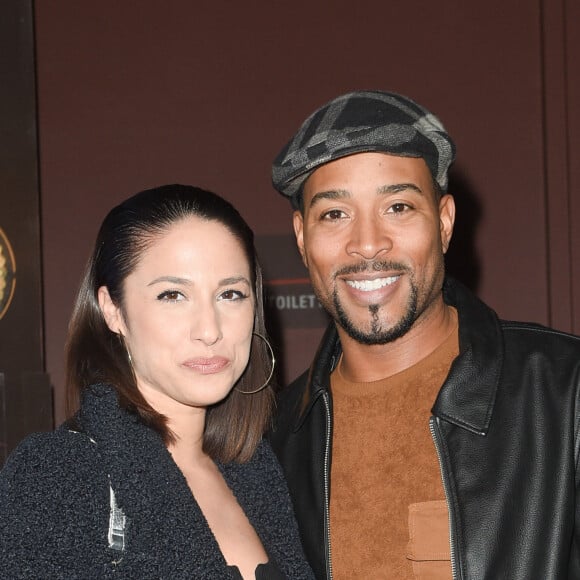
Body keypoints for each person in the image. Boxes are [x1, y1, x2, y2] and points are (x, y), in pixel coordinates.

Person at [267, 90, 580, 579]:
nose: (368, 243)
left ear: (445, 222)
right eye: (335, 214)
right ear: (303, 238)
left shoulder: (564, 394)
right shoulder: (276, 440)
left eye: (398, 207)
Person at [0, 184, 314, 579]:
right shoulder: (57, 474)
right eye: (173, 295)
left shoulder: (259, 470)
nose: (209, 329)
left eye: (231, 294)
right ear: (113, 311)